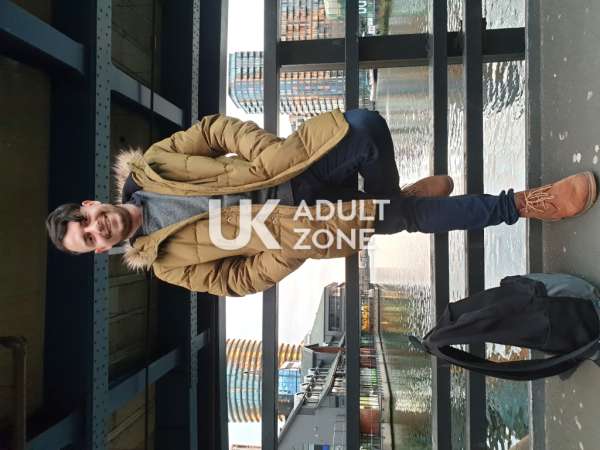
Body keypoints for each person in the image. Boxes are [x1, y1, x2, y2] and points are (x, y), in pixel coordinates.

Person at [45, 109, 597, 296]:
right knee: (407, 218)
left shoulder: (151, 165)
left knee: (366, 127)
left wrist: (263, 150)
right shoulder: (166, 265)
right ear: (99, 250)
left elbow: (212, 131)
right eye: (89, 240)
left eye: (87, 220)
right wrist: (289, 250)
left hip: (287, 168)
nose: (98, 228)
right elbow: (237, 280)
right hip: (298, 227)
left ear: (92, 204)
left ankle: (391, 202)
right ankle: (526, 203)